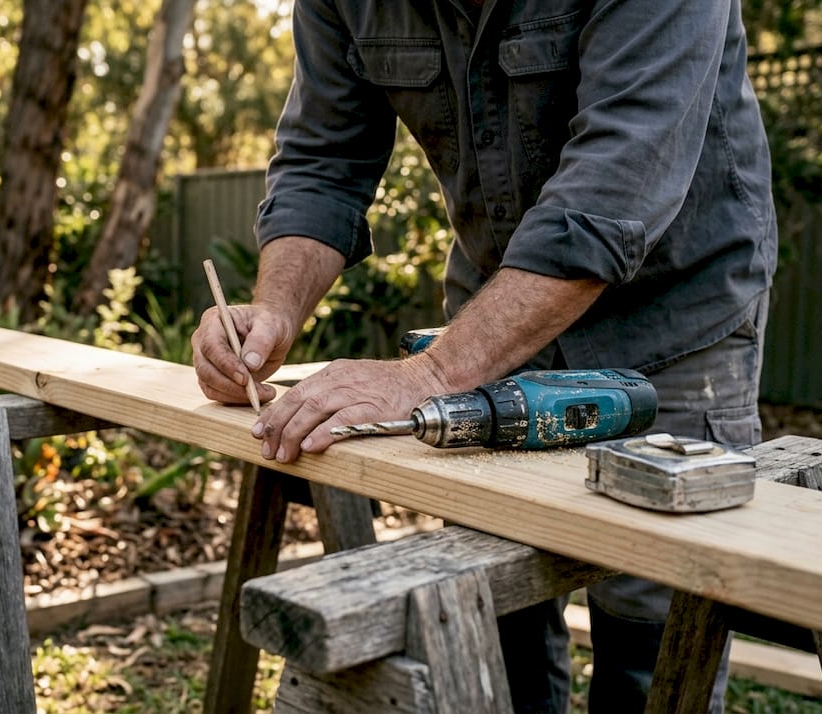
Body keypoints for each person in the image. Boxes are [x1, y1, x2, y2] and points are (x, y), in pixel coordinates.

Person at [192, 0, 776, 712]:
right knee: (498, 612)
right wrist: (274, 309)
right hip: (494, 307)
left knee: (654, 628)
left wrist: (434, 374)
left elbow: (615, 187)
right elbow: (323, 162)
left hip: (675, 310)